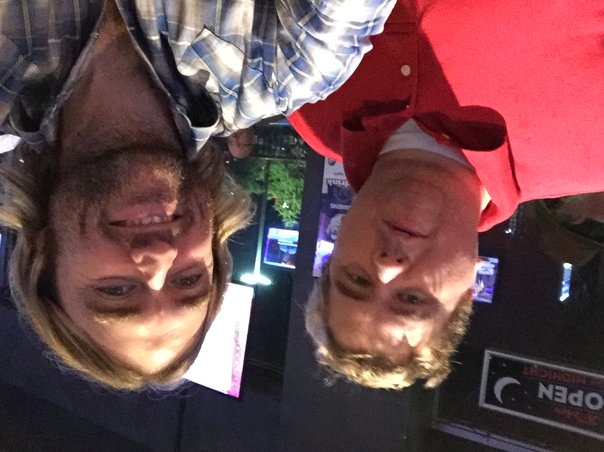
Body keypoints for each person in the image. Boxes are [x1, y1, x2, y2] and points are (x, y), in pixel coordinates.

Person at [0, 0, 396, 389]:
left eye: (115, 291)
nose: (160, 256)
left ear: (44, 255)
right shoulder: (284, 68)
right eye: (189, 280)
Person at [288, 0, 604, 389]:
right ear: (470, 290)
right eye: (412, 300)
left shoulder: (309, 105)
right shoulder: (592, 146)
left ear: (334, 255)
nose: (386, 268)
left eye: (356, 279)